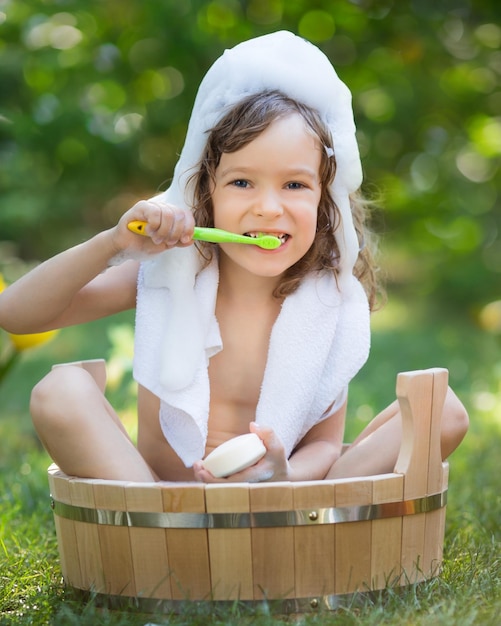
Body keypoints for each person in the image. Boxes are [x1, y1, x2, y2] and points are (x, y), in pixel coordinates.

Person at [0, 32, 468, 483]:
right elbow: (15, 314)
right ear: (207, 192)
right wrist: (113, 245)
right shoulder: (171, 275)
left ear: (326, 202)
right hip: (161, 499)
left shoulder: (329, 302)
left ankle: (296, 521)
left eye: (295, 184)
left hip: (281, 501)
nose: (268, 206)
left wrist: (284, 477)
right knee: (58, 392)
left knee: (442, 412)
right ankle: (156, 534)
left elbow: (326, 446)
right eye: (243, 182)